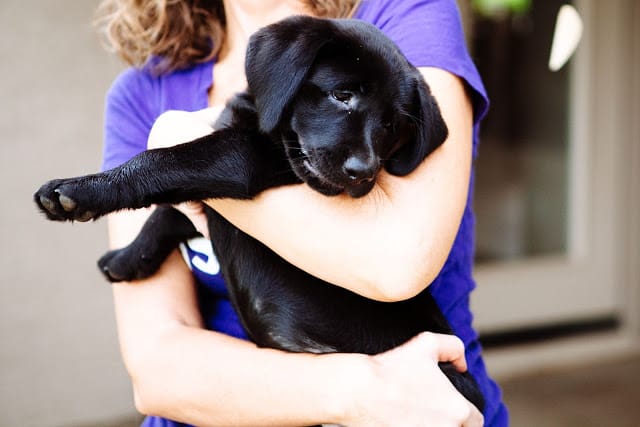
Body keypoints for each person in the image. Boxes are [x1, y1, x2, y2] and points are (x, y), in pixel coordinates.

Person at [95, 0, 508, 425]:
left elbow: (399, 261)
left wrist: (190, 158)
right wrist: (363, 392)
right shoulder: (145, 93)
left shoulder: (399, 20)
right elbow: (158, 372)